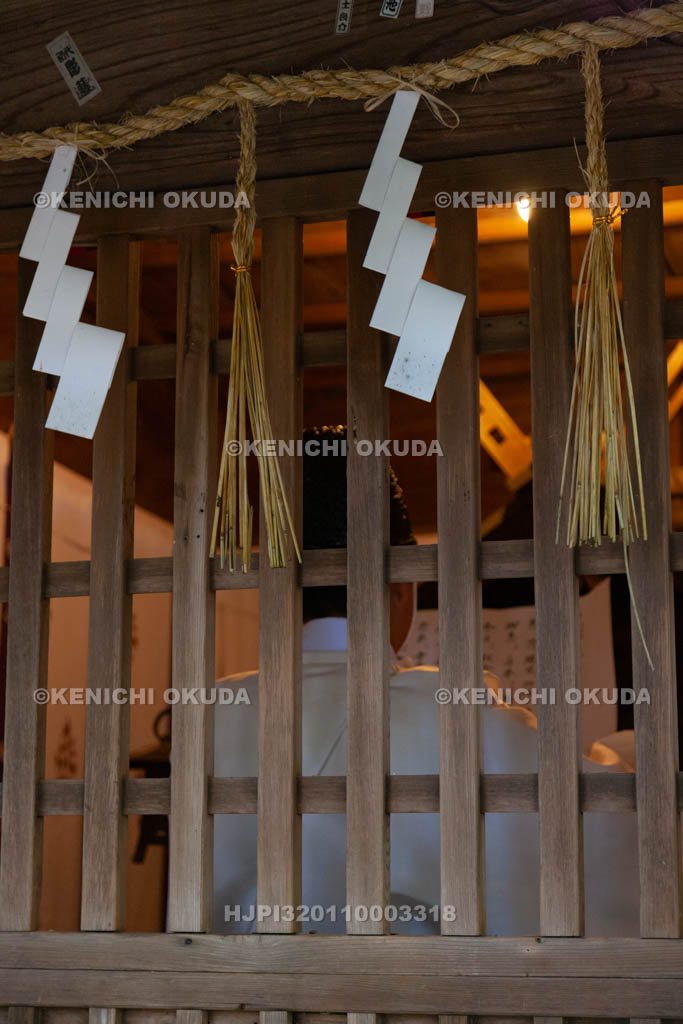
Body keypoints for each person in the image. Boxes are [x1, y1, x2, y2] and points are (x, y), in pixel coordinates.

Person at [214, 426, 639, 936]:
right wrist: (633, 746)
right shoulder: (456, 710)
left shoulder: (213, 711)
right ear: (403, 587)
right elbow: (613, 814)